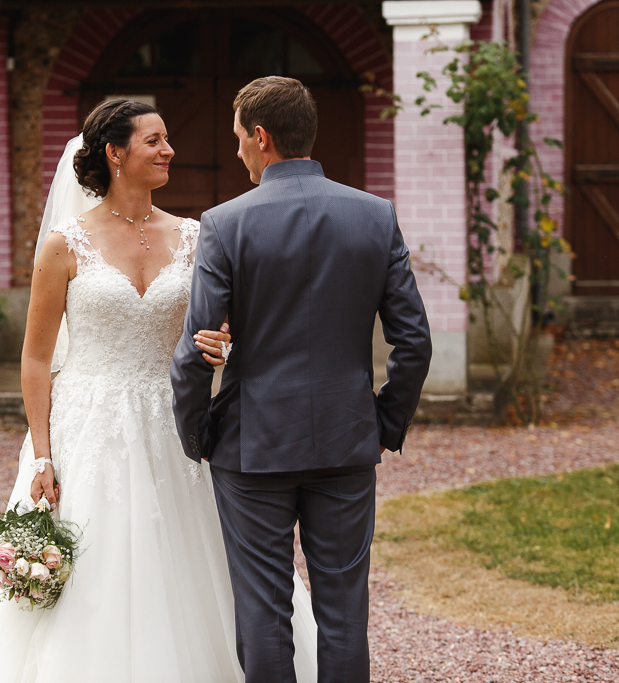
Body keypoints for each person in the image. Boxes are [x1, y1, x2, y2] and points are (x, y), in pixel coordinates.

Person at [0, 99, 318, 683]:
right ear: (115, 153)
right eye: (154, 141)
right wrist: (43, 452)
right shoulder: (63, 246)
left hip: (177, 422)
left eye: (168, 138)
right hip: (88, 426)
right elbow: (35, 358)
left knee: (189, 561)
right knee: (95, 567)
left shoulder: (198, 236)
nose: (170, 150)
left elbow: (221, 331)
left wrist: (218, 345)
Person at [171, 76, 433, 683]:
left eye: (238, 138)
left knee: (263, 611)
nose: (236, 151)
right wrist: (382, 421)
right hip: (345, 440)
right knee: (344, 613)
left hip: (251, 444)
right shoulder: (374, 216)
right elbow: (413, 340)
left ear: (261, 137)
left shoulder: (224, 224)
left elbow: (195, 350)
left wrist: (197, 433)